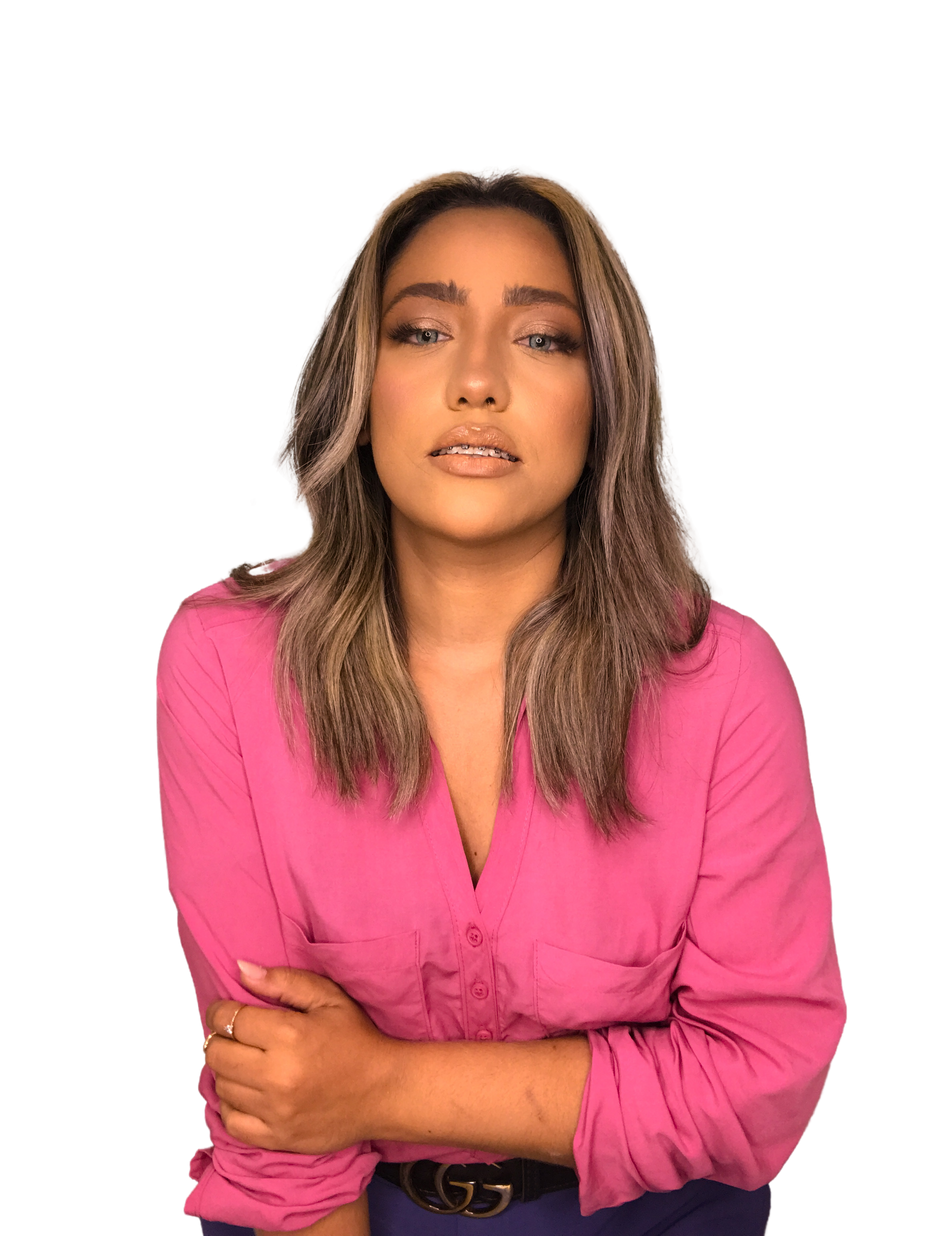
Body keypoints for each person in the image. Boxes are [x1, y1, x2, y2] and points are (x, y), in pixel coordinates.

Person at [153, 163, 848, 1234]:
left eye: (543, 338)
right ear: (359, 385)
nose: (477, 381)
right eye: (423, 331)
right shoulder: (222, 655)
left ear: (604, 398)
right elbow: (271, 1092)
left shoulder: (726, 679)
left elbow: (761, 1084)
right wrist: (329, 1095)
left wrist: (377, 1083)